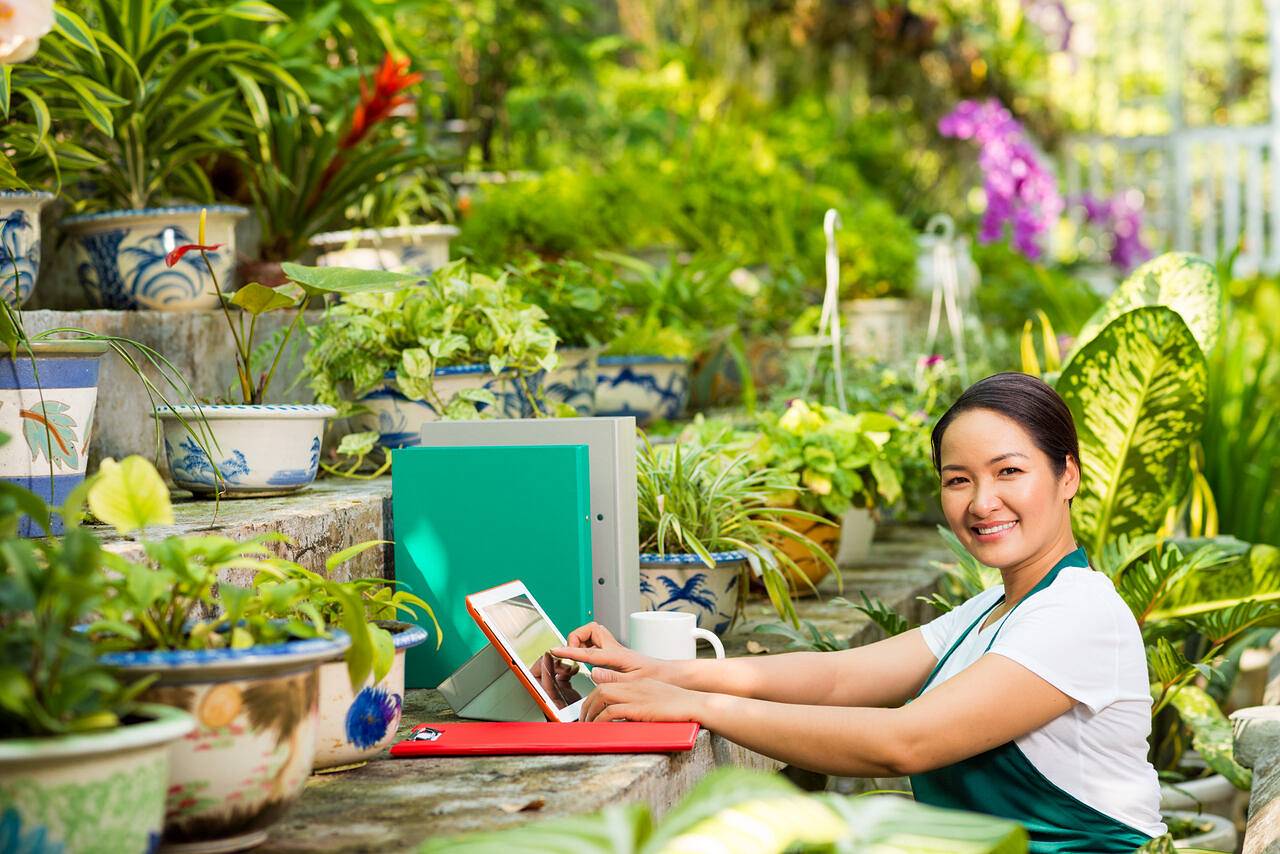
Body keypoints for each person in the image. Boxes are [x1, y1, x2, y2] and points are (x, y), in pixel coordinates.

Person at [553, 372, 1165, 852]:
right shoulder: (998, 609)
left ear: (1068, 475)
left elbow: (905, 741)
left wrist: (697, 707)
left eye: (1009, 472)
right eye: (958, 480)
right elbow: (842, 676)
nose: (982, 502)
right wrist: (657, 671)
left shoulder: (1077, 612)